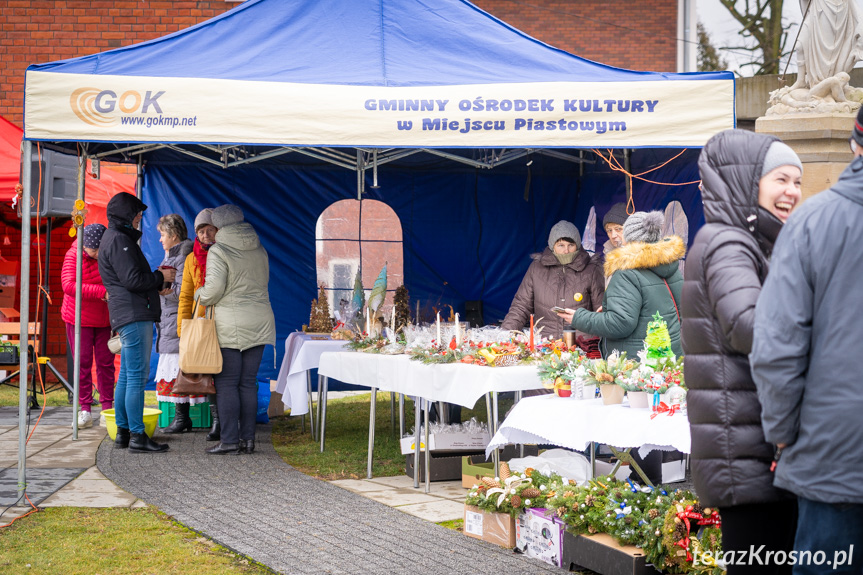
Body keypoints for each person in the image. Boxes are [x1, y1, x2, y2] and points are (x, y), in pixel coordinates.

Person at [683, 130, 802, 574]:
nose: (792, 192)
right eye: (780, 180)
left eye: (797, 182)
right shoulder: (729, 243)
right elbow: (748, 326)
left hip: (747, 445)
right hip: (746, 451)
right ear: (746, 180)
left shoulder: (742, 241)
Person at [750, 111, 863, 573]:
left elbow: (777, 349)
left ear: (855, 146)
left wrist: (781, 434)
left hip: (833, 455)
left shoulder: (814, 222)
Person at [196, 205, 275, 455]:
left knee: (228, 383)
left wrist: (199, 293)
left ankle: (229, 440)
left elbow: (214, 290)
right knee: (248, 383)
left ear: (218, 227)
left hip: (231, 323)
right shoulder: (259, 248)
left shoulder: (219, 250)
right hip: (261, 320)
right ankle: (248, 440)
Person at [99, 192, 174, 453]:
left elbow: (127, 281)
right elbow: (133, 281)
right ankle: (138, 437)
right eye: (137, 213)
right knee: (136, 378)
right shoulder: (120, 240)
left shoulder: (113, 238)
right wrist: (159, 276)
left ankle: (123, 432)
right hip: (134, 314)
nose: (140, 218)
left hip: (125, 312)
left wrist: (155, 285)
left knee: (125, 377)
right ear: (126, 215)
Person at [558, 211, 684, 359]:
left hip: (638, 363)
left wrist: (579, 318)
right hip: (670, 356)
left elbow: (620, 324)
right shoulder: (671, 266)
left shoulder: (626, 271)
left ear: (630, 237)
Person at [501, 220, 604, 341]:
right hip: (545, 344)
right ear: (552, 246)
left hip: (582, 344)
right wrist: (504, 336)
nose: (566, 251)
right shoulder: (536, 268)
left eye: (571, 245)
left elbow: (601, 313)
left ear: (578, 245)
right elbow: (520, 306)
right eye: (561, 245)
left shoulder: (591, 269)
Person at [61, 223, 114, 429]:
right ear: (85, 246)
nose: (98, 253)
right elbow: (68, 285)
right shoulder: (73, 255)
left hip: (105, 319)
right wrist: (102, 292)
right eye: (94, 250)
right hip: (78, 319)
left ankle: (107, 409)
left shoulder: (109, 254)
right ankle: (84, 409)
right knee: (82, 364)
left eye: (101, 249)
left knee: (106, 364)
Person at [177, 208, 220, 440]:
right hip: (201, 324)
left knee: (223, 373)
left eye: (209, 229)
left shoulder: (226, 254)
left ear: (218, 231)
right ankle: (215, 420)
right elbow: (185, 296)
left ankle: (222, 420)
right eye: (201, 231)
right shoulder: (191, 259)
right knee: (208, 372)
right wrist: (183, 329)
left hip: (223, 322)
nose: (205, 235)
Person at [153, 214, 194, 433]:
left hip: (176, 321)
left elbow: (180, 293)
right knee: (178, 369)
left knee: (179, 369)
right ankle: (182, 418)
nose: (160, 239)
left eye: (162, 235)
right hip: (170, 321)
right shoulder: (173, 257)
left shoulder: (181, 258)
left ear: (173, 234)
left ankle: (182, 419)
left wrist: (159, 288)